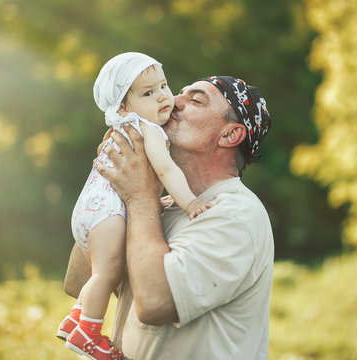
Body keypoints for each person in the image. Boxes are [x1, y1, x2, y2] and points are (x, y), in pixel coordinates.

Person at [65, 74, 274, 359]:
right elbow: (77, 282)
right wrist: (107, 195)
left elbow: (154, 304)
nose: (172, 101)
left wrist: (139, 199)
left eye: (195, 100)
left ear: (229, 135)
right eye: (180, 92)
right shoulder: (159, 206)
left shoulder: (235, 214)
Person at [57, 52, 211, 360]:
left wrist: (153, 200)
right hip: (107, 213)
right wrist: (190, 201)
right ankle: (87, 334)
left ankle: (75, 316)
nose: (163, 97)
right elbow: (166, 171)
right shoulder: (148, 130)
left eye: (164, 86)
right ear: (122, 106)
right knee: (106, 272)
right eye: (148, 93)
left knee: (101, 271)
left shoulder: (121, 129)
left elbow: (135, 181)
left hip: (89, 209)